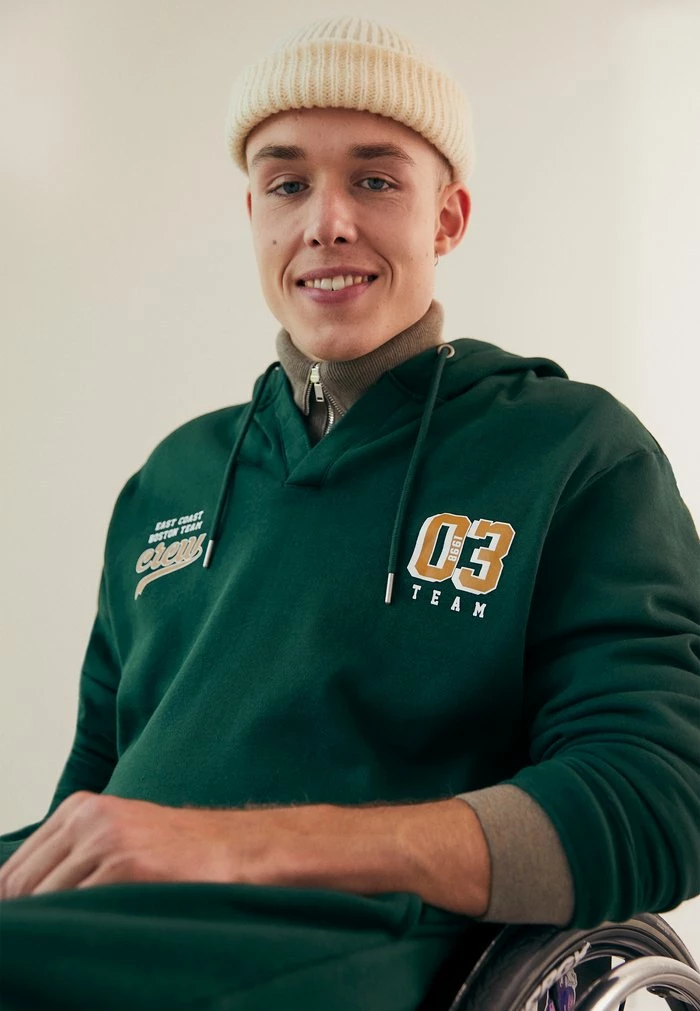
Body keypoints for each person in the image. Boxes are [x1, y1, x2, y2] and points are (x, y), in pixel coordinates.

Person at [1, 16, 699, 1011]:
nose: (326, 221)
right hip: (118, 935)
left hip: (352, 942)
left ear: (446, 219)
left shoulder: (571, 452)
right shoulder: (171, 481)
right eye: (288, 184)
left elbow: (657, 799)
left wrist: (237, 846)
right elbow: (90, 806)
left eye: (374, 180)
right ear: (253, 212)